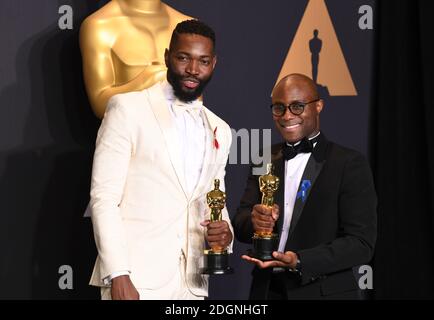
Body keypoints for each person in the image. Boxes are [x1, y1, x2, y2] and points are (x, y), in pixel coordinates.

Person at [89, 19, 233, 300]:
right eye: (183, 58)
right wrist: (118, 274)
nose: (193, 70)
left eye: (203, 61)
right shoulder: (127, 109)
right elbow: (104, 198)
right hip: (136, 280)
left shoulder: (220, 129)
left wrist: (224, 237)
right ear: (167, 56)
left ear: (213, 64)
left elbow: (215, 200)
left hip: (193, 284)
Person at [232, 73, 377, 300]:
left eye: (297, 106)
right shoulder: (264, 159)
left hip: (322, 292)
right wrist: (255, 221)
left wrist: (299, 260)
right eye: (279, 108)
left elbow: (361, 244)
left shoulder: (349, 163)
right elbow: (240, 223)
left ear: (318, 106)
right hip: (267, 291)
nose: (287, 115)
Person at [80, 0, 193, 119]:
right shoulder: (99, 26)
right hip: (129, 134)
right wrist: (150, 79)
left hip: (183, 134)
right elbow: (100, 106)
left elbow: (194, 104)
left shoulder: (188, 26)